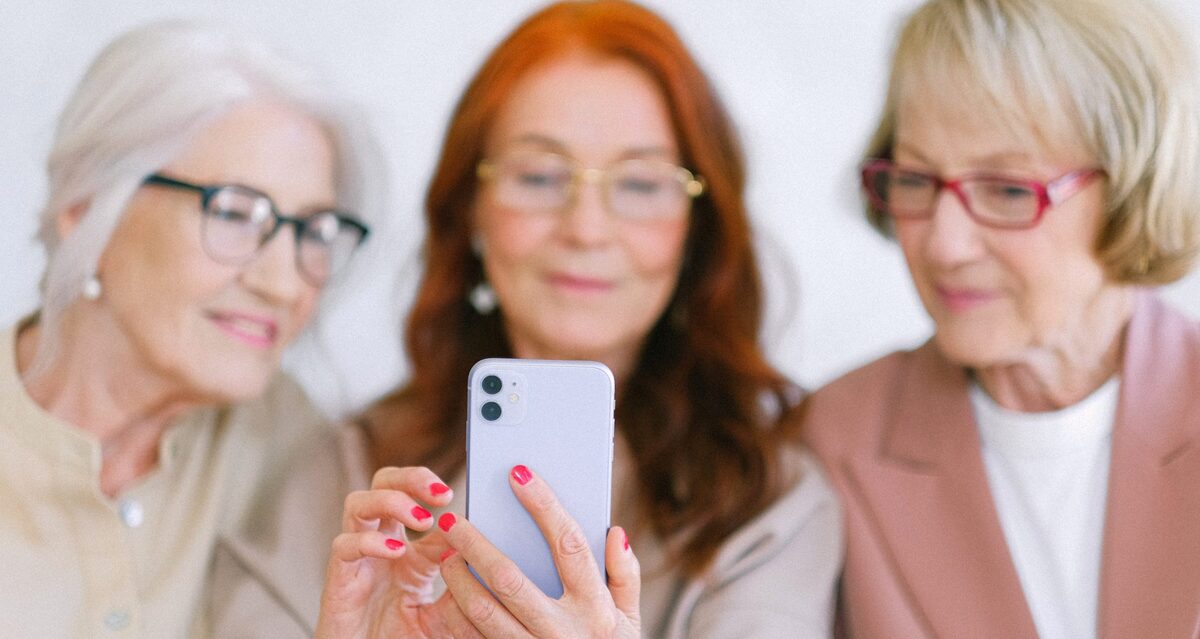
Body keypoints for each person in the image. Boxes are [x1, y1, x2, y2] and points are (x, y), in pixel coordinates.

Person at [214, 1, 842, 637]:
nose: (586, 228)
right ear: (471, 213)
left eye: (642, 184)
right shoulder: (351, 476)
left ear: (697, 234)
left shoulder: (770, 505)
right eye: (539, 176)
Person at [801, 0, 1200, 637]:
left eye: (1008, 190)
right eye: (916, 181)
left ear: (1136, 187)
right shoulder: (826, 441)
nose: (943, 246)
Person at [0, 21, 378, 636]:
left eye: (313, 231)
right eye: (233, 213)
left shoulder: (287, 440)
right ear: (87, 207)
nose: (285, 285)